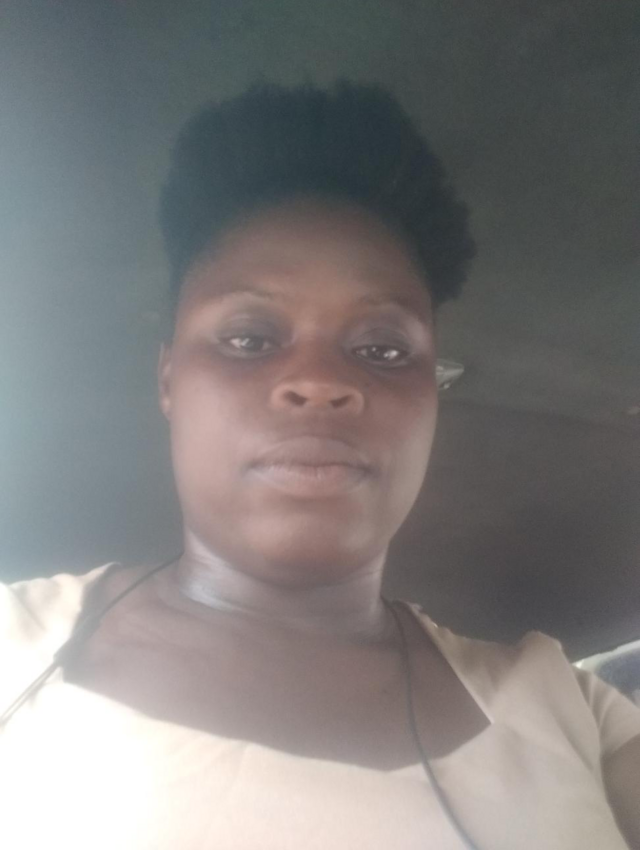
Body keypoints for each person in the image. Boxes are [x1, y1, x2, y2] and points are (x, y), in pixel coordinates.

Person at [1, 81, 639, 850]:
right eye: (249, 338)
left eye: (383, 349)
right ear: (169, 378)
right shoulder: (14, 643)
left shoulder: (572, 713)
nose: (320, 381)